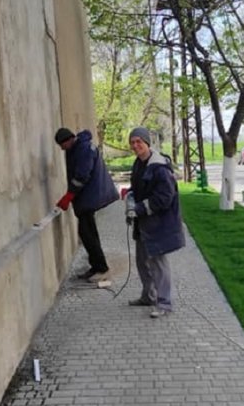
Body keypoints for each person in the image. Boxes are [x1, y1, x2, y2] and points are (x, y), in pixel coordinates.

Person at [125, 127, 185, 317]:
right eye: (132, 142)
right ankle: (148, 297)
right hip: (143, 224)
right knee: (142, 261)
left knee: (158, 264)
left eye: (139, 142)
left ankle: (164, 304)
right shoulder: (138, 163)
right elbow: (137, 189)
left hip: (160, 223)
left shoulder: (159, 168)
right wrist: (130, 201)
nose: (136, 146)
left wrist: (139, 208)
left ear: (147, 143)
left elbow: (165, 198)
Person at [54, 127, 119, 280]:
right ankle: (97, 265)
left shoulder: (83, 149)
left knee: (86, 233)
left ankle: (101, 268)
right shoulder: (79, 147)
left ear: (68, 140)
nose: (62, 149)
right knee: (89, 232)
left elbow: (82, 175)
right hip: (87, 196)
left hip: (89, 196)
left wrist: (69, 196)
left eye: (62, 145)